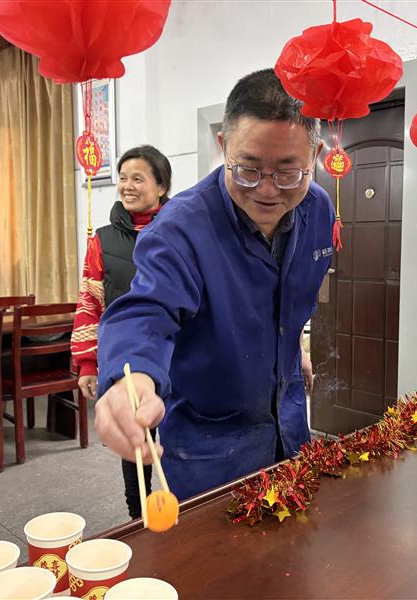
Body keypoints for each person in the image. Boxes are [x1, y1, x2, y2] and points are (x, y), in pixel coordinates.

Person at [94, 69, 334, 500]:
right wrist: (132, 376)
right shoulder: (181, 228)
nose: (266, 190)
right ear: (223, 146)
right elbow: (147, 311)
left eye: (288, 172)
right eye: (247, 169)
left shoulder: (317, 209)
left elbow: (292, 297)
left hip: (289, 425)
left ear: (314, 155)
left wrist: (293, 346)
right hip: (208, 446)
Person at [70, 145, 172, 518]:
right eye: (123, 178)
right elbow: (89, 301)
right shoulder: (102, 239)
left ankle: (187, 509)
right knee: (136, 438)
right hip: (127, 357)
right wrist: (87, 363)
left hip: (176, 352)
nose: (127, 186)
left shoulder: (178, 232)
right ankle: (137, 514)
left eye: (138, 179)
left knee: (178, 439)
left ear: (161, 186)